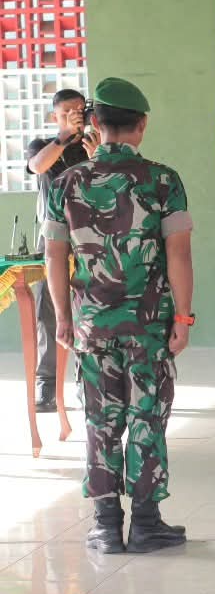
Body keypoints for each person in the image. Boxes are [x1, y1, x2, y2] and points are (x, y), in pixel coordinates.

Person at [44, 78, 192, 554]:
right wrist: (183, 317)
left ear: (95, 125)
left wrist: (65, 318)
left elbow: (54, 256)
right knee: (147, 417)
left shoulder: (65, 182)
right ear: (141, 125)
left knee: (100, 420)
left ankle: (106, 526)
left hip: (92, 326)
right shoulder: (163, 180)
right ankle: (147, 524)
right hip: (149, 326)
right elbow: (180, 254)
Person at [25, 89, 98, 412]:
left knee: (88, 309)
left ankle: (88, 382)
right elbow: (39, 167)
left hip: (89, 237)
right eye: (67, 111)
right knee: (47, 312)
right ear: (54, 116)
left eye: (80, 110)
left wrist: (98, 157)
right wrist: (64, 137)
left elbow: (103, 185)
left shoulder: (92, 146)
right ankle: (47, 386)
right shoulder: (43, 146)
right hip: (52, 237)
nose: (75, 115)